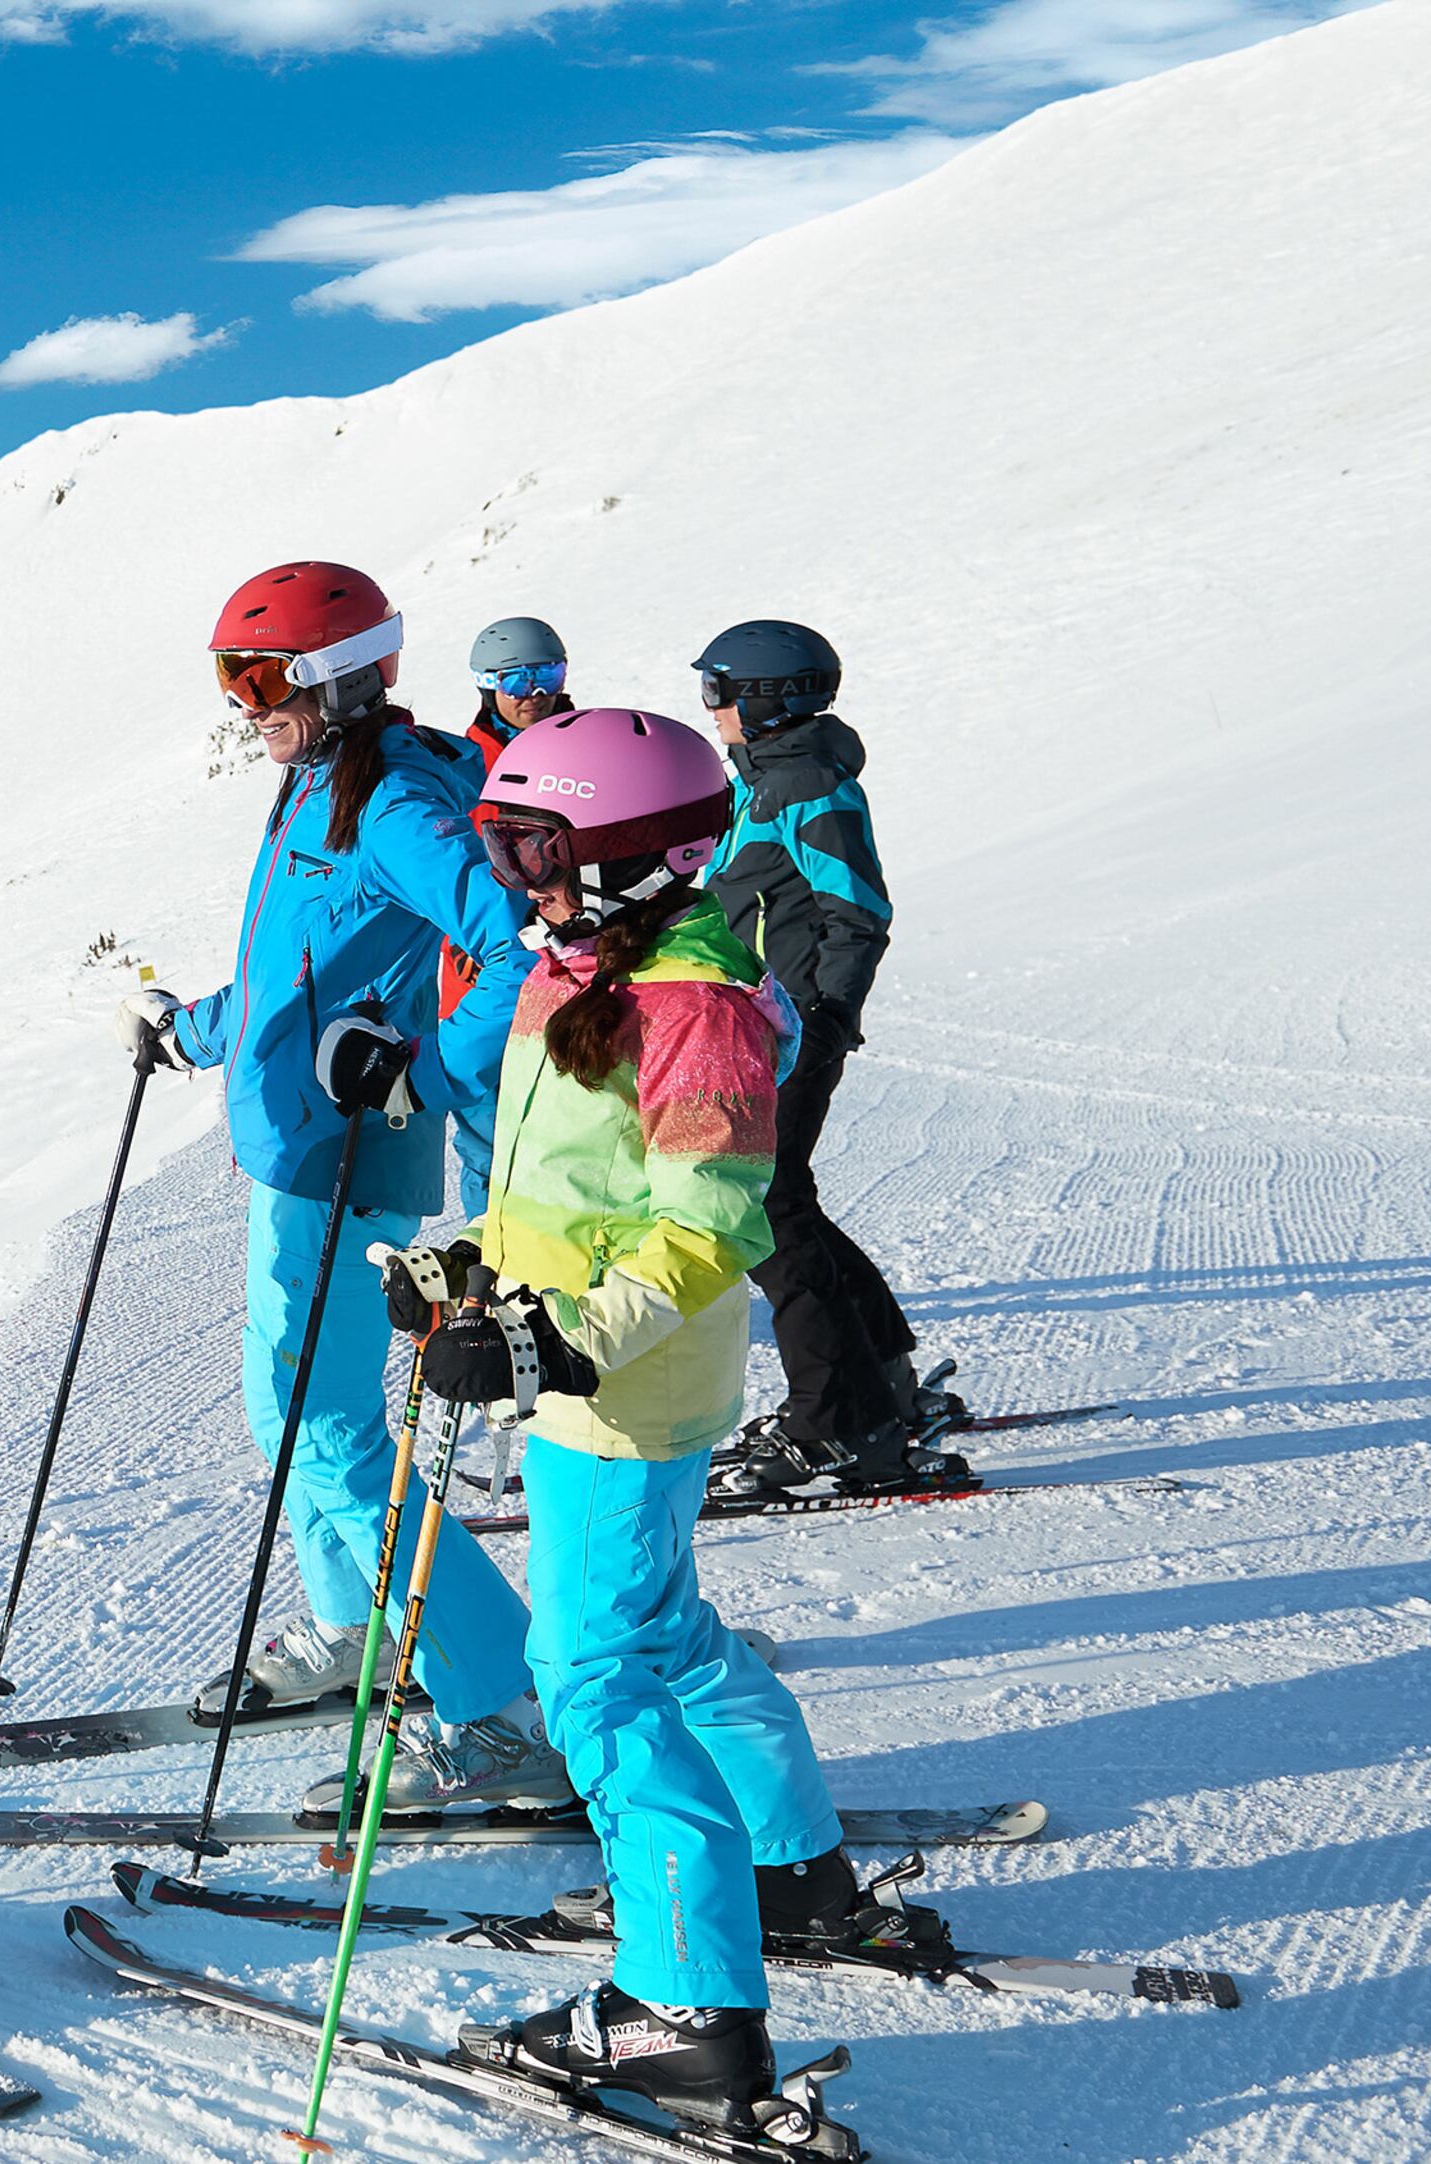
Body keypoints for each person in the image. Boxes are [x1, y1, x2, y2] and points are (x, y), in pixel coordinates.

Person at [391, 707, 931, 2135]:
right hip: (595, 1377)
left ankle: (684, 2004)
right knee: (667, 1636)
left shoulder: (692, 1001)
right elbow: (575, 1195)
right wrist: (472, 1277)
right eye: (502, 845)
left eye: (536, 846)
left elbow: (705, 1219)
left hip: (622, 1393)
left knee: (598, 1678)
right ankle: (787, 1863)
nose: (514, 875)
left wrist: (554, 1340)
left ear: (632, 854)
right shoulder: (574, 973)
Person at [115, 561, 562, 1812]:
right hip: (294, 1148)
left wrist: (422, 1069)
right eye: (229, 680)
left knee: (332, 1434)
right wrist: (193, 1032)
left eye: (257, 678)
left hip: (347, 1153)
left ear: (333, 675)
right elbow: (292, 979)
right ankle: (363, 1631)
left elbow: (522, 947)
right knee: (287, 1420)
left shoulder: (399, 805)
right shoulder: (317, 785)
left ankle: (499, 1706)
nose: (241, 705)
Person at [687, 621, 964, 1500]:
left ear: (768, 699)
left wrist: (825, 1014)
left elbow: (858, 910)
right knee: (785, 1202)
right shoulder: (770, 780)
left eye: (719, 691)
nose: (714, 710)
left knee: (764, 1211)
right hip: (766, 1019)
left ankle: (837, 1423)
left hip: (789, 1027)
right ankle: (880, 1388)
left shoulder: (805, 785)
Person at [439, 616, 577, 1217]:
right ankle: (489, 1285)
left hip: (571, 969)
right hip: (481, 978)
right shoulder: (462, 769)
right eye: (513, 678)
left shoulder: (588, 754)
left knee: (571, 1139)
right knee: (488, 1145)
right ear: (485, 684)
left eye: (546, 673)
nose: (532, 691)